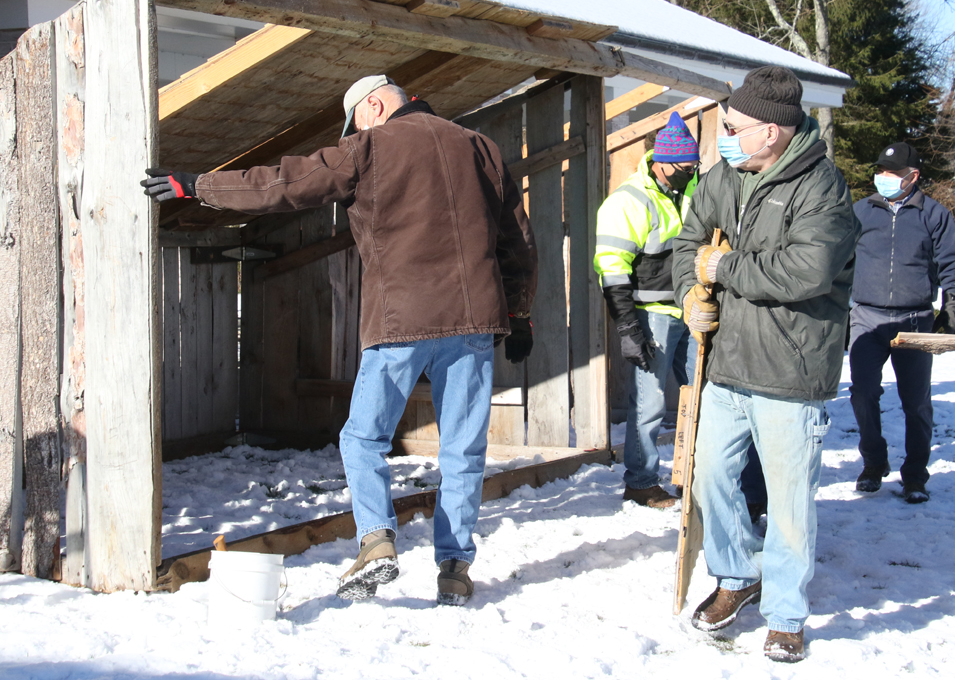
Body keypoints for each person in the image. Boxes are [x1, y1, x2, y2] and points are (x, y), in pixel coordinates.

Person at [141, 75, 538, 607]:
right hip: (473, 322)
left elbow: (284, 183)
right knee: (462, 448)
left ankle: (376, 541)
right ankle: (454, 568)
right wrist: (518, 313)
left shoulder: (368, 148)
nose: (355, 130)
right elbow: (517, 237)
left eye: (356, 120)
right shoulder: (479, 146)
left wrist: (198, 185)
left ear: (375, 105)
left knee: (363, 438)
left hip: (403, 320)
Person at [672, 66, 859, 662]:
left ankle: (785, 613)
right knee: (710, 479)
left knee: (788, 499)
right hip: (726, 361)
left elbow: (804, 272)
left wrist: (719, 271)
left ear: (772, 132)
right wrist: (688, 296)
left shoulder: (821, 188)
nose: (722, 135)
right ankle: (735, 576)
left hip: (791, 368)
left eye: (733, 126)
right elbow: (687, 243)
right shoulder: (725, 174)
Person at [849, 142, 955, 504]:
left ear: (912, 177)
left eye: (892, 173)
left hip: (914, 319)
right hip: (866, 318)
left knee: (916, 402)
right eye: (880, 171)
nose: (883, 178)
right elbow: (838, 261)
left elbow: (953, 261)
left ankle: (915, 475)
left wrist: (953, 303)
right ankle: (873, 463)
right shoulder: (860, 212)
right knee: (863, 393)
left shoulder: (934, 214)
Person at [593, 113, 700, 508]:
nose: (689, 174)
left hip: (693, 306)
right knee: (650, 402)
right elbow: (612, 267)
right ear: (661, 161)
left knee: (704, 393)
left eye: (694, 167)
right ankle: (640, 482)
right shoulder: (627, 201)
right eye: (683, 168)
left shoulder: (694, 188)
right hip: (651, 312)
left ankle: (698, 474)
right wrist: (627, 328)